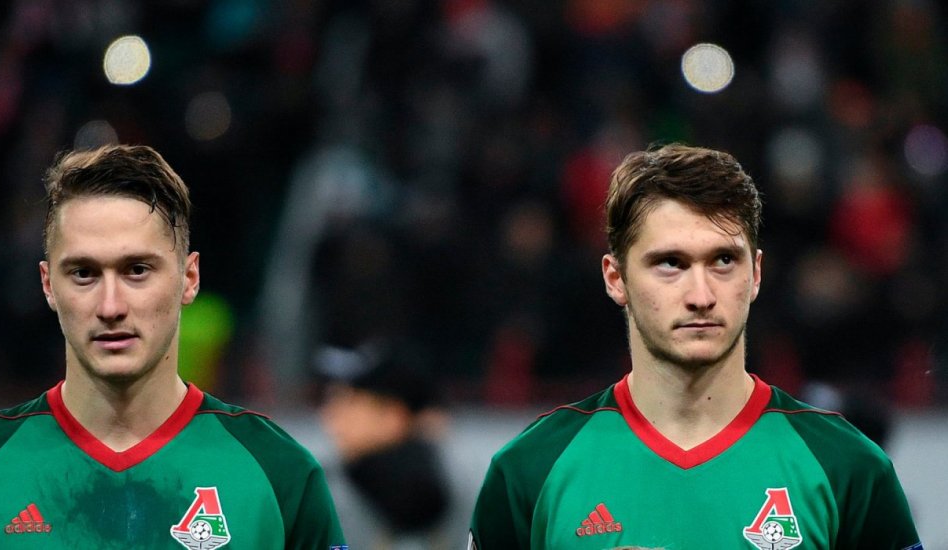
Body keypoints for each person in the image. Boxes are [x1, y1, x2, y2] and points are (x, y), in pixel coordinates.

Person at [468, 143, 922, 549]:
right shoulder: (531, 469)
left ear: (756, 274)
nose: (701, 295)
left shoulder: (848, 468)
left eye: (723, 260)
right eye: (671, 263)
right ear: (616, 278)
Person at [0, 144, 347, 549]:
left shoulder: (281, 477)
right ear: (48, 285)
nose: (110, 306)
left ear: (189, 278)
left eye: (137, 270)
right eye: (83, 273)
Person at [315, 343, 452, 548]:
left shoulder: (465, 496)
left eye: (348, 401)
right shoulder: (324, 489)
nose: (329, 416)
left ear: (394, 416)